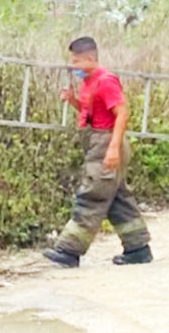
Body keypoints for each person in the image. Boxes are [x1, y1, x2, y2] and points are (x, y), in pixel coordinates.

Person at [43, 37, 153, 268]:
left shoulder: (106, 81)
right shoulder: (89, 82)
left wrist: (113, 149)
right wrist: (73, 101)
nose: (73, 66)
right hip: (96, 142)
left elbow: (122, 113)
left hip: (106, 142)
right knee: (117, 199)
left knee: (92, 195)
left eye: (76, 61)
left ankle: (69, 250)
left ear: (91, 59)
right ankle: (138, 248)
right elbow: (92, 112)